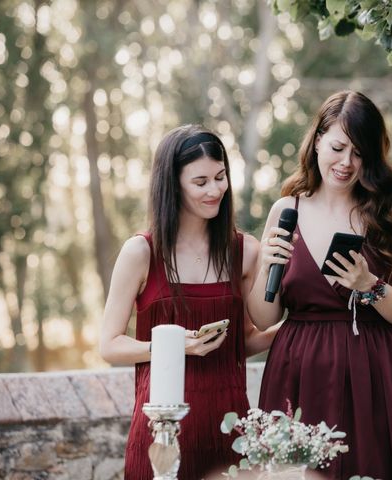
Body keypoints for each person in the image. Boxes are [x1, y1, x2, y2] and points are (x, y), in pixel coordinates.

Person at [247, 91, 392, 479]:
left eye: (360, 152)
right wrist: (267, 263)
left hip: (374, 373)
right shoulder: (286, 211)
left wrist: (369, 285)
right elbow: (265, 316)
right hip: (296, 373)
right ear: (317, 139)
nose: (347, 163)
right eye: (338, 147)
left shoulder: (391, 214)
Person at [99, 125, 273, 479]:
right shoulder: (140, 252)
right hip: (161, 435)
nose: (215, 190)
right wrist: (176, 346)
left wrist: (295, 328)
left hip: (231, 429)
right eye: (201, 181)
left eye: (220, 177)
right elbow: (110, 345)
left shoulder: (246, 251)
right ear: (173, 184)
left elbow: (244, 340)